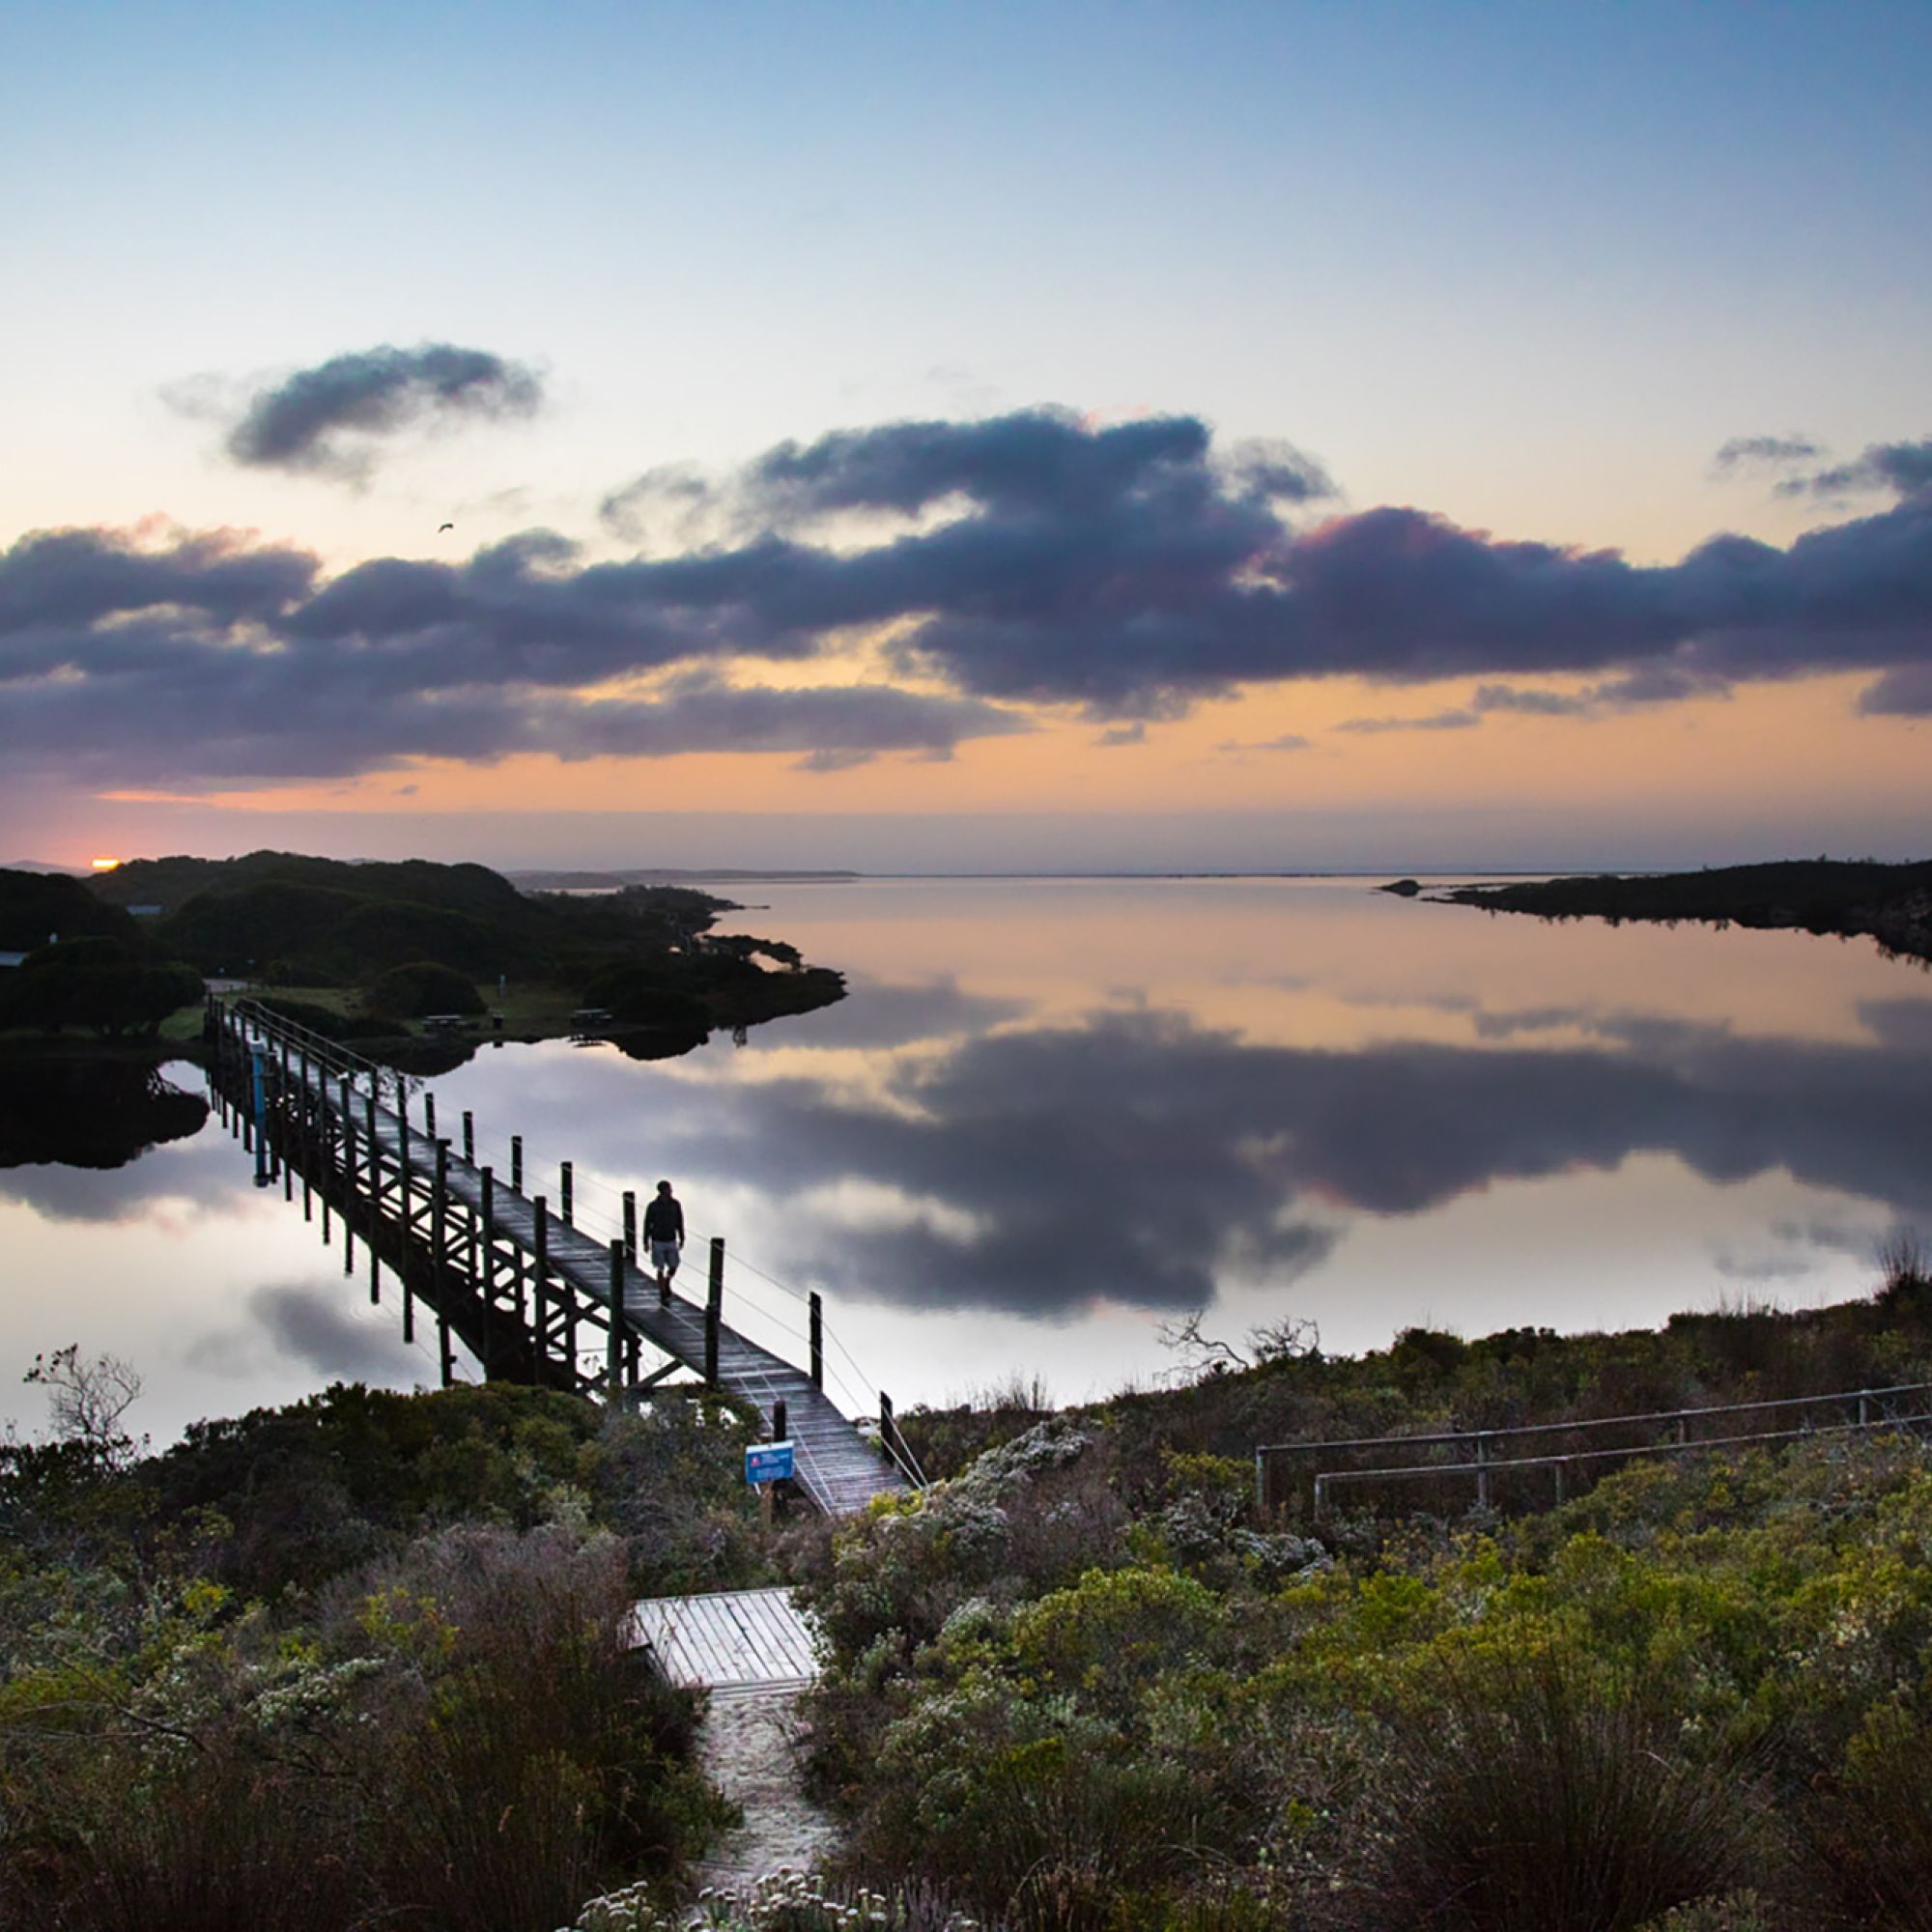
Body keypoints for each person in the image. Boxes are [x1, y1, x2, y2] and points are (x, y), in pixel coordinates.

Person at [643, 1179, 685, 1293]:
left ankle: (667, 1281)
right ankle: (662, 1290)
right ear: (662, 1191)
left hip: (671, 1239)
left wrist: (682, 1237)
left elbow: (679, 1221)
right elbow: (647, 1224)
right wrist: (645, 1241)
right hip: (657, 1239)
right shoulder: (653, 1206)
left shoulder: (675, 1204)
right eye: (668, 1189)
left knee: (674, 1265)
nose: (671, 1191)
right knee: (660, 1266)